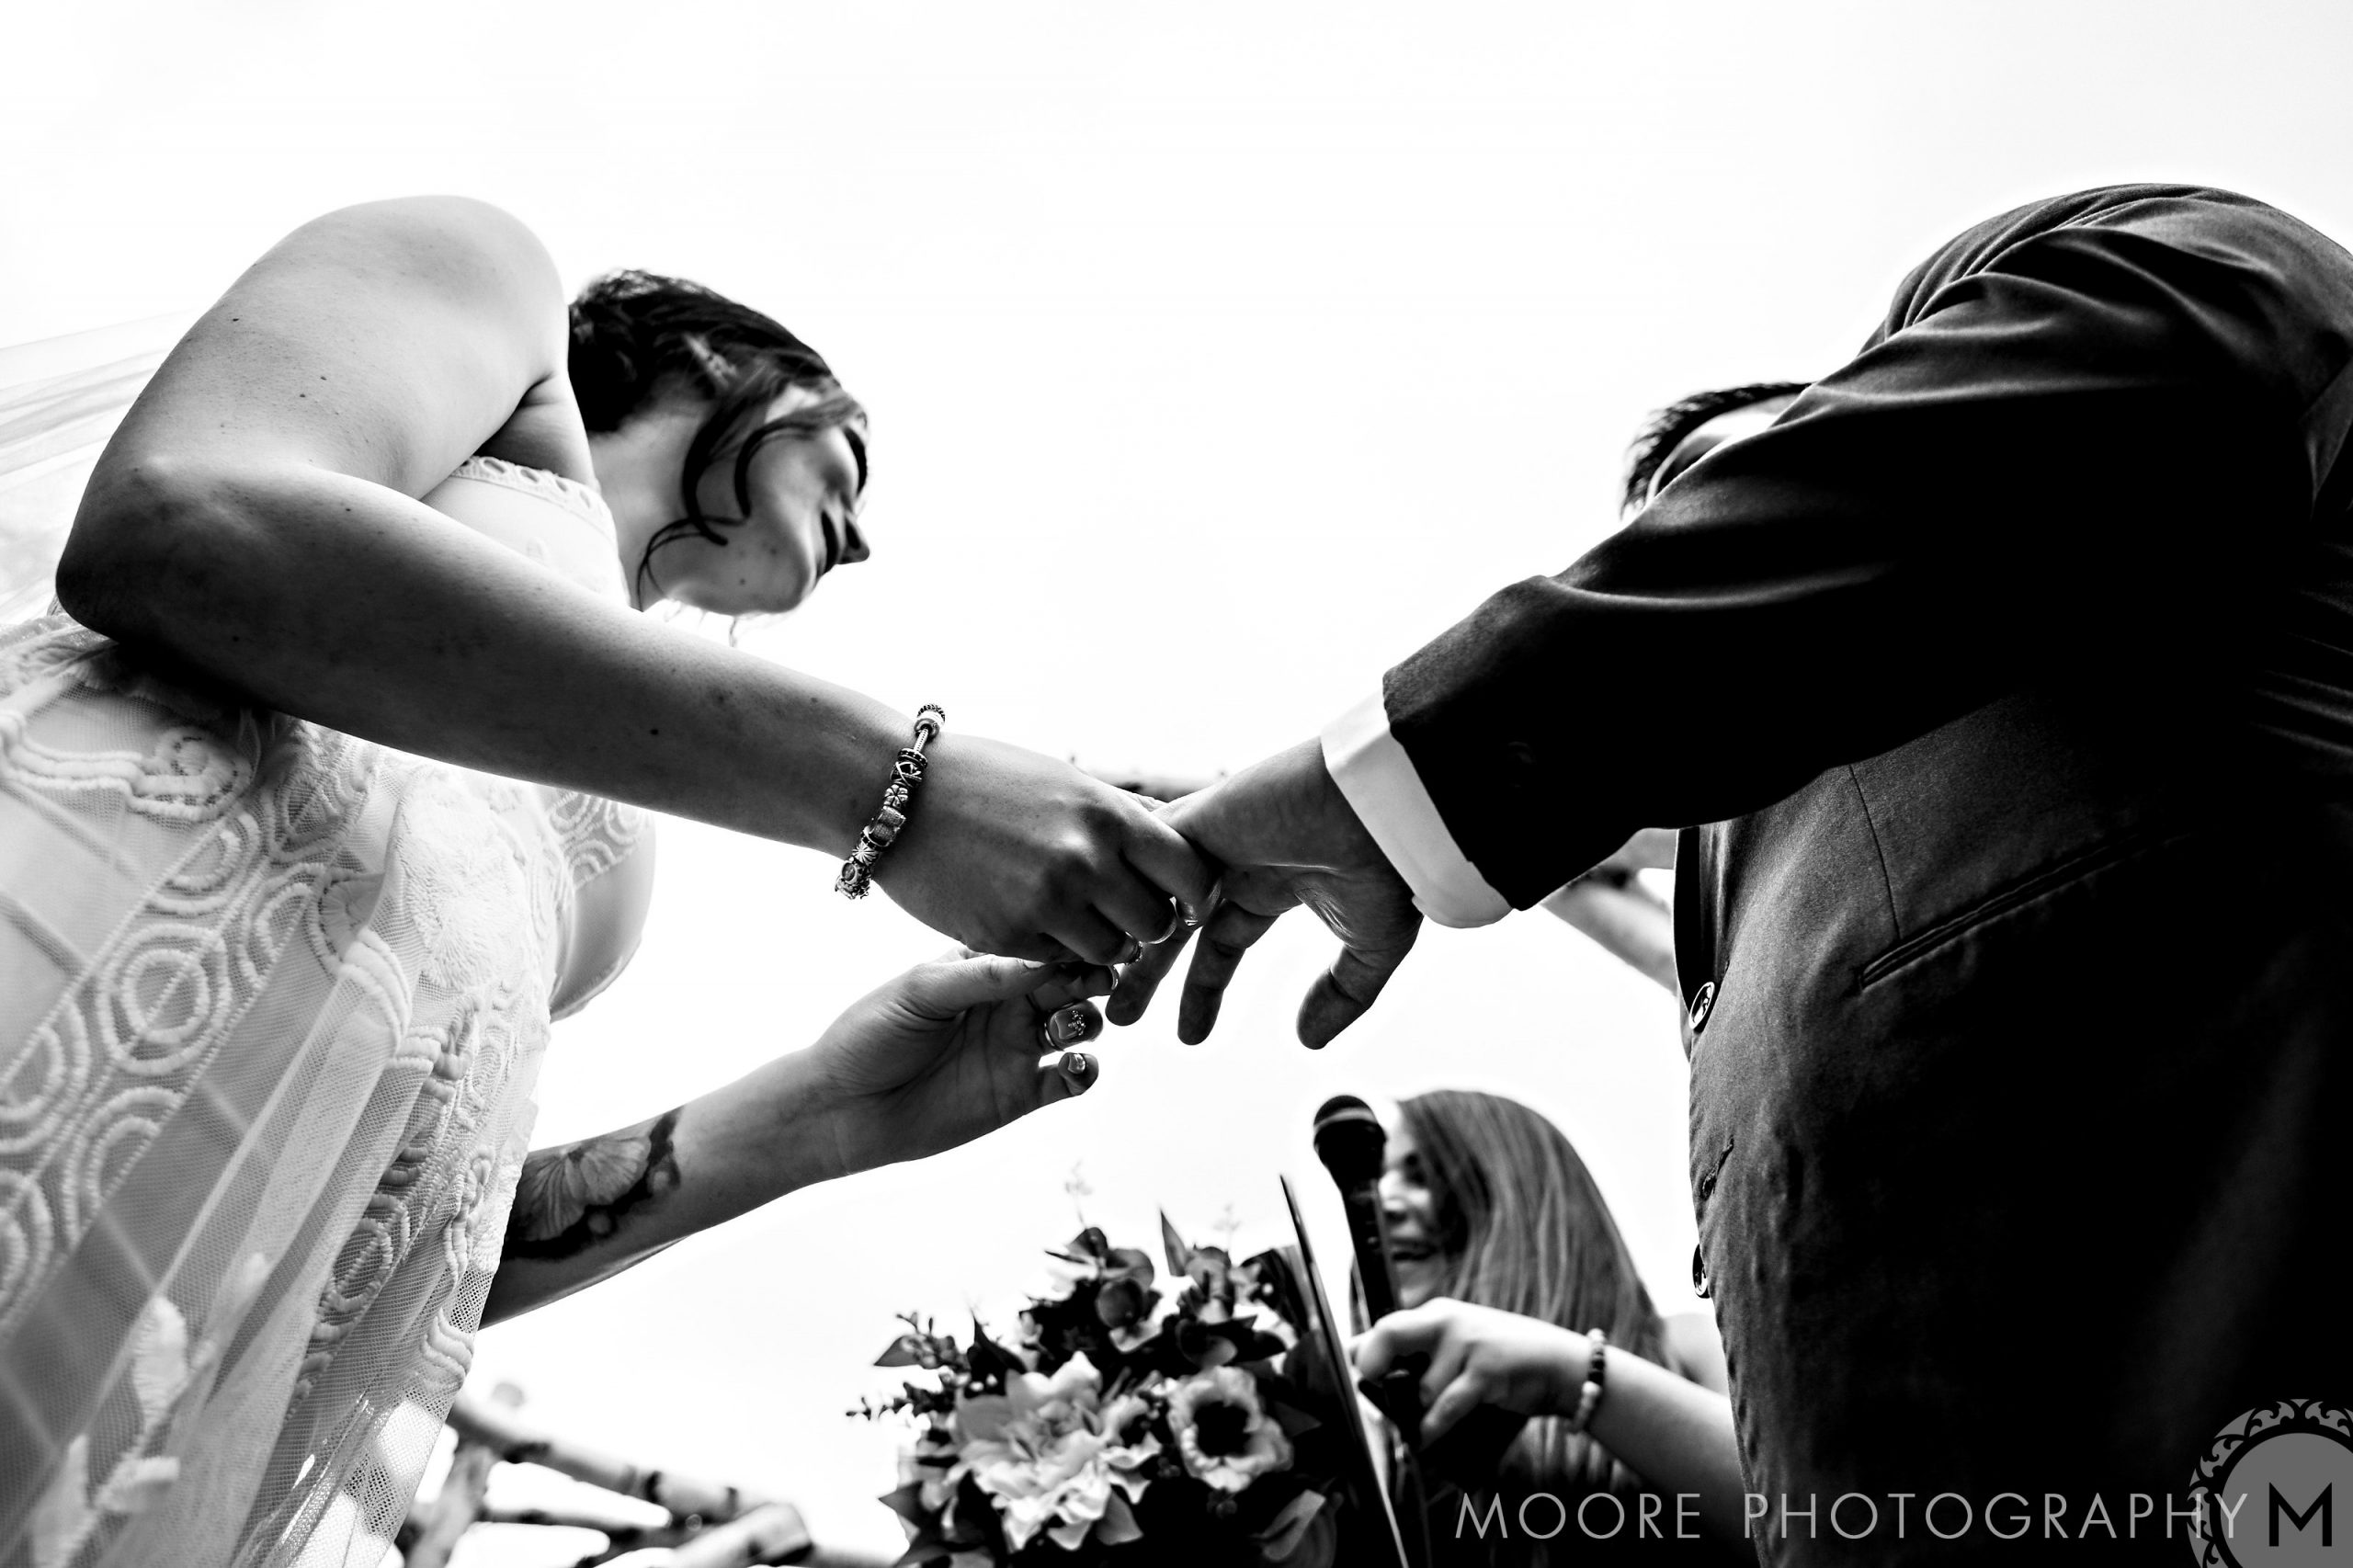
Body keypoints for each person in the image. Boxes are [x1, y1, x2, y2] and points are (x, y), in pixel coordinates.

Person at [1121, 185, 2353, 1560]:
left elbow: (2231, 316)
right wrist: (1234, 808)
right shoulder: (1738, 937)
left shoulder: (2127, 402)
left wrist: (1388, 771)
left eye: (1728, 498)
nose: (1694, 568)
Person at [0, 197, 1212, 1567]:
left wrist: (813, 1116)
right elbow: (178, 519)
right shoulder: (483, 280)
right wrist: (902, 787)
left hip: (153, 1368)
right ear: (705, 360)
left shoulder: (629, 781)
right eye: (848, 453)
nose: (862, 538)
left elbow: (392, 1208)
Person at [1349, 1091, 1745, 1562]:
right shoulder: (1379, 1441)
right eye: (1376, 1181)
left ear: (1516, 1194)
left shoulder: (1687, 1348)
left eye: (1424, 1175)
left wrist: (1572, 1378)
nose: (1384, 1203)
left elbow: (1805, 1518)